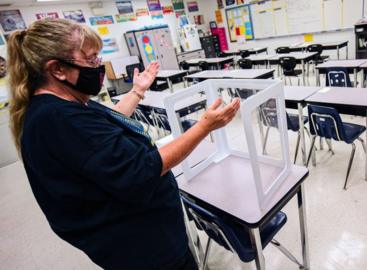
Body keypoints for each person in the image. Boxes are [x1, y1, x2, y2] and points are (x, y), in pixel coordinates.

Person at [7, 18, 240, 269]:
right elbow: (142, 170)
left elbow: (105, 126)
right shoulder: (58, 120)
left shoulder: (62, 105)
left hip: (144, 238)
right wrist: (204, 126)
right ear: (57, 69)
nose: (98, 66)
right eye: (91, 59)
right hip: (145, 249)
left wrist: (137, 91)